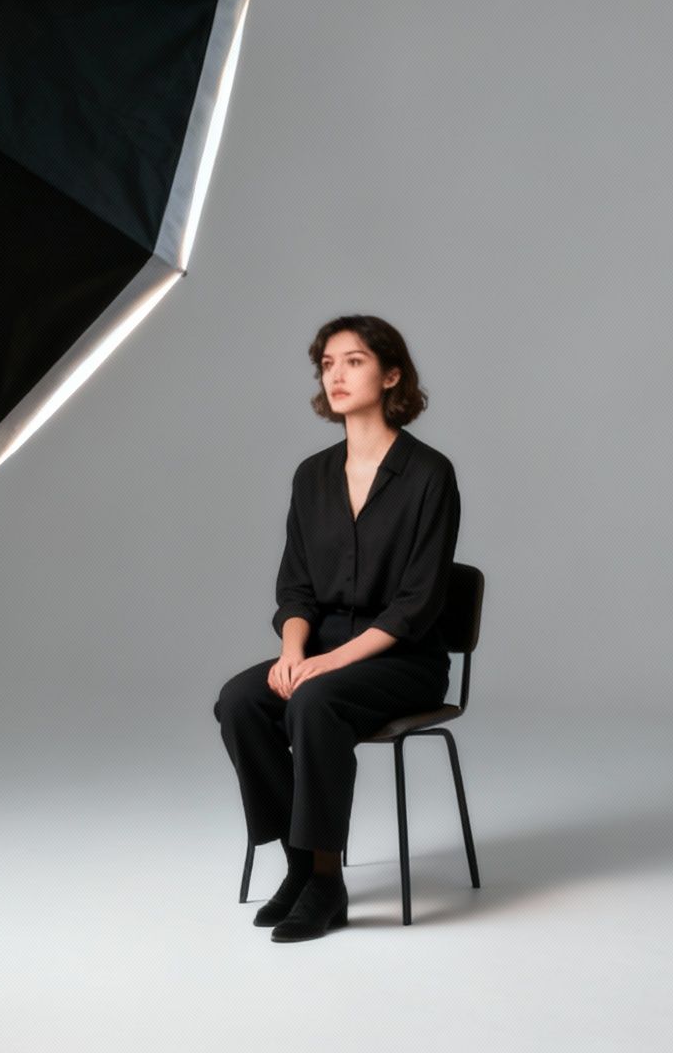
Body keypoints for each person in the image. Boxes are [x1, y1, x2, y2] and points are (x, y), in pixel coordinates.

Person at [214, 315, 461, 943]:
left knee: (316, 702)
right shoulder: (312, 475)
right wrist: (294, 651)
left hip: (404, 660)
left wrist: (326, 665)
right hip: (323, 649)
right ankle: (301, 865)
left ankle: (327, 880)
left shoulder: (430, 475)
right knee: (242, 700)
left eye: (353, 361)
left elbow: (415, 605)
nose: (337, 375)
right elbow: (295, 585)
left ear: (391, 374)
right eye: (327, 364)